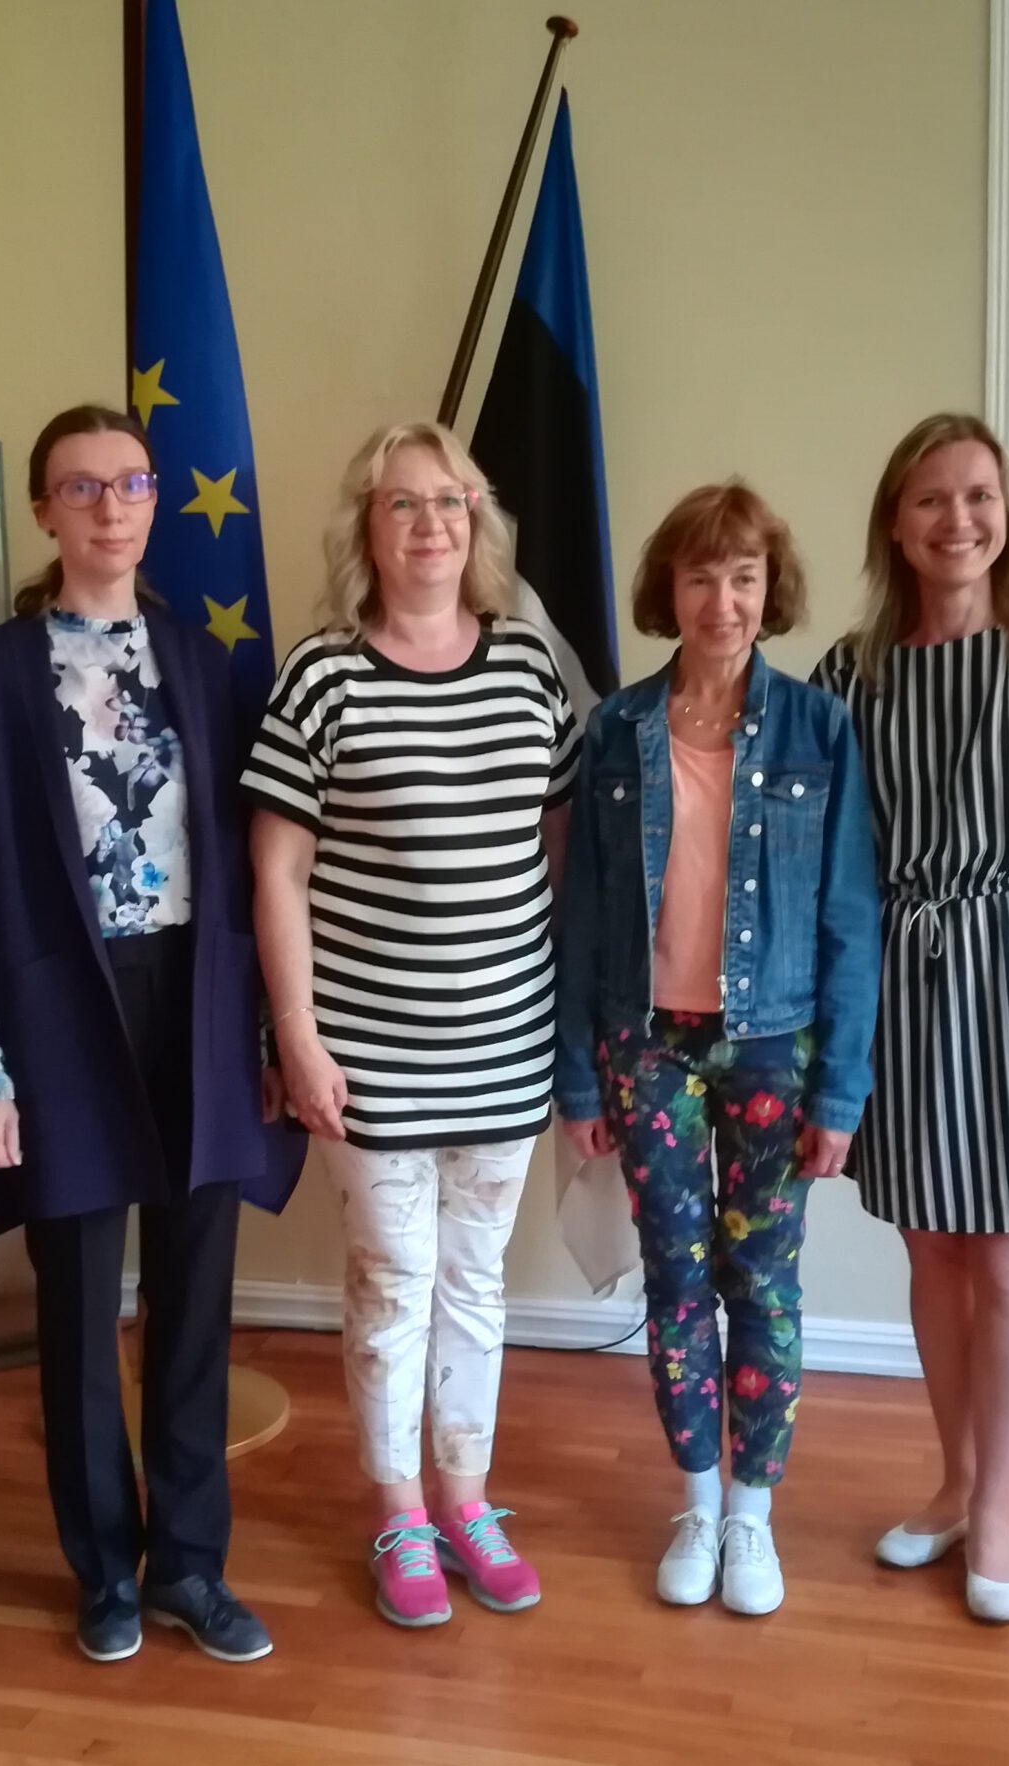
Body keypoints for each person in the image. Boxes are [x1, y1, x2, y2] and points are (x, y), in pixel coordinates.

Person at [0, 404, 299, 1666]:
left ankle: (190, 1563)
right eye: (80, 486)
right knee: (81, 1307)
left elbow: (254, 867)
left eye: (130, 484)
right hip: (58, 1014)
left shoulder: (205, 661)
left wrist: (268, 1033)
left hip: (197, 1003)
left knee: (195, 1301)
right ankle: (103, 1568)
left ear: (153, 503)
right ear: (43, 509)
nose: (109, 507)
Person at [244, 422, 579, 1630]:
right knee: (392, 1284)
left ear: (476, 522)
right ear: (368, 529)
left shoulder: (527, 665)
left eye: (449, 502)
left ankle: (466, 1502)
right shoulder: (320, 676)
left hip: (505, 1047)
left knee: (475, 1283)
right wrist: (297, 1035)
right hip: (368, 1055)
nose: (429, 523)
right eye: (403, 504)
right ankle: (398, 1513)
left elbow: (553, 845)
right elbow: (276, 871)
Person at [810, 414, 1009, 1625]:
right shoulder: (852, 676)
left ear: (1007, 513)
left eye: (979, 496)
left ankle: (995, 1510)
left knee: (1008, 1260)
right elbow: (829, 861)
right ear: (895, 525)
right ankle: (950, 1483)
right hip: (901, 977)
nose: (959, 520)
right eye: (931, 499)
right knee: (934, 1253)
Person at [554, 483, 880, 1617]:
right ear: (671, 590)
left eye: (743, 577)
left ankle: (753, 1516)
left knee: (765, 1282)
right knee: (676, 1275)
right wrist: (575, 1075)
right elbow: (583, 914)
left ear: (768, 590)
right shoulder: (616, 732)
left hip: (773, 1048)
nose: (723, 601)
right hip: (644, 1045)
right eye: (701, 577)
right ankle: (697, 1502)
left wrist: (842, 1091)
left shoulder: (818, 731)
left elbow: (850, 919)